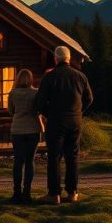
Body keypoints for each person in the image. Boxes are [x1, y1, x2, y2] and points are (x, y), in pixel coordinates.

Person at [34, 45, 93, 204]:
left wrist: (49, 113)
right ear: (68, 58)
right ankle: (72, 193)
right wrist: (78, 112)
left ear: (56, 59)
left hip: (56, 122)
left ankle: (54, 194)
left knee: (54, 157)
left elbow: (39, 103)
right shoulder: (80, 76)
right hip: (75, 122)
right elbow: (89, 99)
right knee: (72, 156)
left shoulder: (49, 77)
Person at [7, 68, 42, 203]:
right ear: (30, 79)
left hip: (17, 130)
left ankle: (16, 193)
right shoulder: (36, 93)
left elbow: (10, 111)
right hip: (33, 129)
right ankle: (27, 193)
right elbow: (38, 110)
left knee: (18, 161)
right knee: (29, 161)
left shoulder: (12, 93)